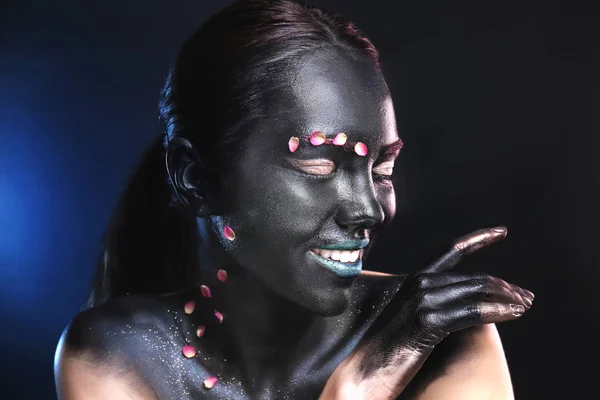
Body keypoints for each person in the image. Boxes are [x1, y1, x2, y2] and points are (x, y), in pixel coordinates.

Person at [54, 1, 534, 399]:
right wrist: (359, 387)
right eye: (319, 165)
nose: (369, 209)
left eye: (382, 169)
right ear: (196, 178)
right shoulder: (116, 352)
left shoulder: (444, 338)